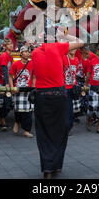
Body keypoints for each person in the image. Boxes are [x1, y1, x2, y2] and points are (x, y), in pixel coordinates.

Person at [31, 32, 83, 179]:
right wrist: (66, 36)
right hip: (58, 95)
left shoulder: (35, 52)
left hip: (41, 96)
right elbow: (81, 42)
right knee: (60, 130)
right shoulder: (59, 48)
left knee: (43, 132)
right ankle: (55, 165)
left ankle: (47, 167)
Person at [9, 46, 34, 138]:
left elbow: (34, 76)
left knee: (28, 111)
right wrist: (12, 87)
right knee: (18, 110)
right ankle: (17, 122)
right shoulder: (15, 64)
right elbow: (10, 76)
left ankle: (26, 130)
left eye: (28, 52)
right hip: (18, 90)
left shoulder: (32, 64)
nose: (27, 53)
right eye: (25, 52)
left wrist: (34, 88)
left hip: (28, 90)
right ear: (21, 53)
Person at [0, 39, 14, 131]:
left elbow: (11, 72)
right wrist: (7, 84)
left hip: (6, 80)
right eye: (9, 44)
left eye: (11, 44)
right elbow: (4, 70)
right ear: (5, 46)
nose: (11, 45)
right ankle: (2, 120)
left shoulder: (11, 57)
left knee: (8, 101)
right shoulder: (4, 56)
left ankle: (2, 119)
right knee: (4, 101)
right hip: (0, 80)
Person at [63, 46, 80, 134]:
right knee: (67, 109)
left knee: (71, 109)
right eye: (71, 47)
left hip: (73, 88)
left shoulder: (77, 60)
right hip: (64, 88)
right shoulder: (63, 58)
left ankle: (68, 127)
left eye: (75, 48)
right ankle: (66, 128)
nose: (73, 49)